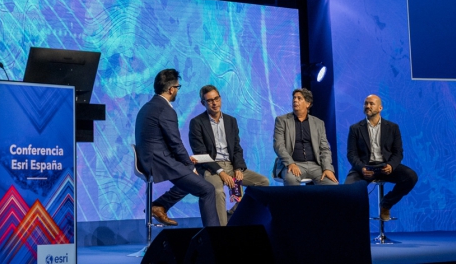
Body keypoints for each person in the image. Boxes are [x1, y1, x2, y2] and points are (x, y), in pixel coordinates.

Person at [150, 85, 270, 227]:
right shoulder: (197, 123)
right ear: (203, 103)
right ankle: (221, 232)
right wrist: (221, 172)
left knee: (263, 182)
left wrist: (238, 168)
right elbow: (200, 153)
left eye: (216, 99)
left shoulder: (231, 121)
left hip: (231, 166)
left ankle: (233, 215)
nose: (214, 103)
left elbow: (237, 148)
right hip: (210, 167)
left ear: (220, 99)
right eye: (210, 101)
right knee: (218, 191)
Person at [134, 69, 220, 228]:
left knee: (196, 176)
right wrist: (189, 165)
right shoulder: (165, 109)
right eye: (178, 88)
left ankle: (160, 205)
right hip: (158, 162)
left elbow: (163, 140)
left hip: (150, 159)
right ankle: (214, 238)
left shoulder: (148, 106)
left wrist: (188, 165)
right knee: (207, 189)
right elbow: (175, 142)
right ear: (171, 89)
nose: (177, 91)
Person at [345, 95, 418, 220]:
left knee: (411, 177)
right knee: (348, 190)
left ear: (380, 108)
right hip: (364, 168)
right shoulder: (355, 129)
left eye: (371, 104)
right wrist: (362, 168)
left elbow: (398, 152)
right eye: (365, 103)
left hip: (385, 166)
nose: (367, 106)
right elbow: (351, 154)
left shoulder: (393, 128)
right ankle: (356, 221)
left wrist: (391, 165)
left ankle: (386, 204)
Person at [272, 88, 339, 185]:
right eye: (294, 98)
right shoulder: (282, 121)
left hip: (315, 165)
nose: (295, 100)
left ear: (308, 104)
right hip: (293, 163)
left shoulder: (318, 123)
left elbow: (325, 149)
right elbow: (278, 145)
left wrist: (327, 168)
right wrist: (291, 163)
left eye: (299, 98)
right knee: (291, 179)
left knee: (332, 184)